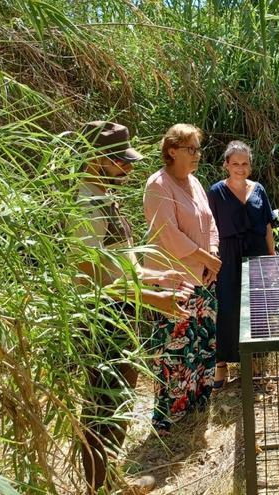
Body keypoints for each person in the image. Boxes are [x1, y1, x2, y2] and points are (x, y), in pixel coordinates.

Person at [73, 121, 192, 494]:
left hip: (119, 317)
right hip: (101, 322)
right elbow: (93, 280)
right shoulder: (86, 204)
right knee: (100, 411)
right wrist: (153, 298)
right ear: (94, 159)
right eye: (118, 161)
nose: (126, 168)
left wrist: (159, 275)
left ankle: (109, 481)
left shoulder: (103, 196)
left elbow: (122, 265)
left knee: (117, 405)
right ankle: (99, 488)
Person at [143, 123, 221, 434]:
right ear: (171, 150)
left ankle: (198, 403)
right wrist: (206, 258)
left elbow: (210, 222)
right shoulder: (158, 185)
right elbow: (169, 235)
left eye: (198, 149)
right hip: (174, 281)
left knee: (203, 343)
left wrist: (212, 256)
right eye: (191, 149)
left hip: (204, 278)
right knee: (175, 349)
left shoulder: (195, 182)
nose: (197, 155)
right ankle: (167, 416)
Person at [207, 141, 276, 384]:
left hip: (256, 253)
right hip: (228, 254)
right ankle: (221, 364)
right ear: (226, 165)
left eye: (245, 163)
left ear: (250, 165)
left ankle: (255, 360)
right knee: (227, 306)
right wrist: (210, 258)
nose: (240, 167)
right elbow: (209, 228)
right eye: (235, 163)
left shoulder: (259, 189)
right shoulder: (216, 192)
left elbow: (267, 225)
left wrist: (272, 257)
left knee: (257, 307)